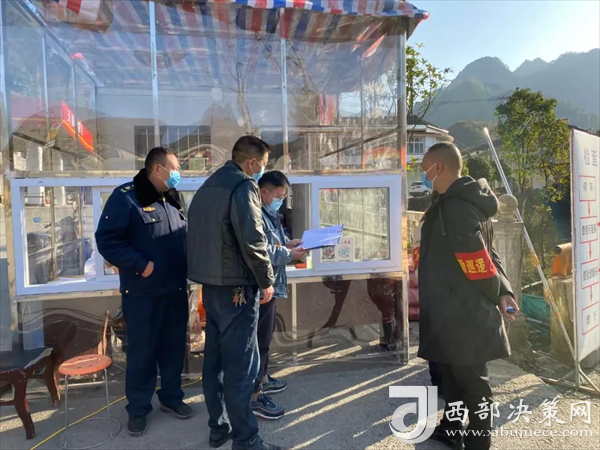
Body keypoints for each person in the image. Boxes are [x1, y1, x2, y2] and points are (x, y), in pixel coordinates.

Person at [418, 142, 519, 450]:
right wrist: (504, 289)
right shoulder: (459, 200)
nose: (423, 176)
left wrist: (499, 292)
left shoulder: (456, 207)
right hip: (449, 310)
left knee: (474, 386)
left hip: (463, 312)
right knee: (450, 378)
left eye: (424, 170)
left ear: (438, 167)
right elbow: (490, 254)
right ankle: (451, 429)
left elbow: (477, 261)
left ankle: (478, 444)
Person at [187, 136, 283, 450]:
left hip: (212, 288)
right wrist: (266, 280)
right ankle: (246, 439)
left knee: (214, 362)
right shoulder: (243, 186)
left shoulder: (208, 186)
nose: (262, 170)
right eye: (263, 165)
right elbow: (253, 240)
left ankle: (219, 427)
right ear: (253, 162)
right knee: (242, 365)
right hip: (238, 289)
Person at [95, 147, 192, 437]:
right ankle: (138, 409)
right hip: (143, 293)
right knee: (143, 353)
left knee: (174, 349)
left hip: (175, 289)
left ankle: (171, 398)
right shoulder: (126, 197)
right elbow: (107, 241)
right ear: (157, 169)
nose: (178, 173)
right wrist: (141, 265)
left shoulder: (172, 197)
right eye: (175, 168)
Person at [252, 171, 306, 420]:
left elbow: (276, 242)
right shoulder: (254, 214)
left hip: (271, 285)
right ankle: (254, 394)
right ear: (264, 192)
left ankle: (262, 377)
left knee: (265, 338)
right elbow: (262, 251)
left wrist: (289, 243)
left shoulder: (270, 212)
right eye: (279, 196)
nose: (281, 201)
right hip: (261, 286)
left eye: (284, 196)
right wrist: (289, 254)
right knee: (257, 341)